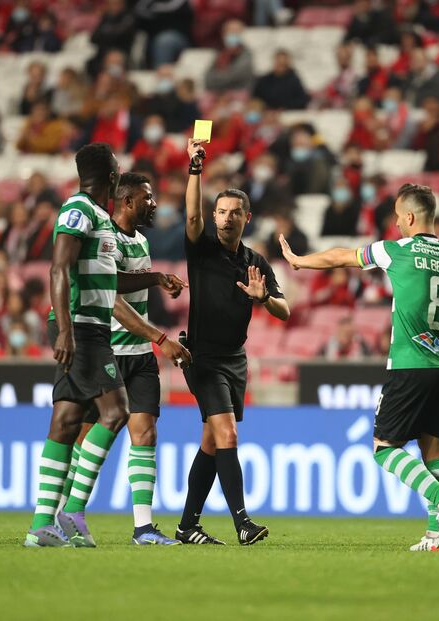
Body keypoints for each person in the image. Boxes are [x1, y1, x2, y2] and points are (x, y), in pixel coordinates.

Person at [279, 183, 439, 552]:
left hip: (410, 365)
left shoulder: (396, 250)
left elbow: (342, 256)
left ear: (411, 217)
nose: (397, 225)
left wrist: (300, 261)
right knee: (434, 449)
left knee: (385, 448)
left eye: (399, 218)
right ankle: (436, 535)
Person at [24, 144, 184, 548]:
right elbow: (59, 267)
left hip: (87, 327)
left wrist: (153, 278)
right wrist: (64, 329)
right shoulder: (78, 211)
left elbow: (109, 280)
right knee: (115, 412)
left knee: (66, 421)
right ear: (111, 175)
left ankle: (42, 524)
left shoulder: (97, 217)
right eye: (117, 167)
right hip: (82, 327)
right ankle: (73, 508)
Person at [61, 173, 191, 546]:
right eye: (148, 198)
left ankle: (144, 528)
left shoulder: (142, 241)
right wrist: (160, 338)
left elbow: (133, 284)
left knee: (145, 433)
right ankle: (66, 514)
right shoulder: (108, 240)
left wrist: (157, 279)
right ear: (128, 201)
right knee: (85, 438)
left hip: (139, 357)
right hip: (109, 352)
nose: (154, 203)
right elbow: (112, 297)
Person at [177, 139, 290, 546]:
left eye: (233, 213)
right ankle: (242, 522)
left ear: (247, 217)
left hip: (234, 359)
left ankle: (188, 525)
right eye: (220, 212)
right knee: (227, 436)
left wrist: (264, 299)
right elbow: (191, 215)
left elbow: (284, 310)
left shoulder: (256, 262)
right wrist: (195, 168)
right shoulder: (202, 250)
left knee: (211, 440)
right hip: (202, 357)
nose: (225, 218)